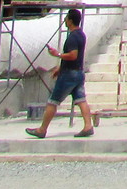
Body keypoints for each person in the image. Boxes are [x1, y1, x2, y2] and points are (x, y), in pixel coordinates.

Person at [26, 8, 94, 139]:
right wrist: (60, 67)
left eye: (66, 18)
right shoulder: (81, 34)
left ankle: (42, 129)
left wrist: (57, 54)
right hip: (78, 72)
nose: (65, 20)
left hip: (69, 75)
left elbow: (73, 55)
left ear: (70, 21)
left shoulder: (72, 38)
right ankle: (88, 126)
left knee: (53, 101)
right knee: (81, 100)